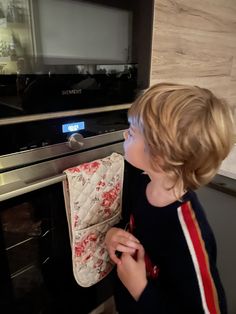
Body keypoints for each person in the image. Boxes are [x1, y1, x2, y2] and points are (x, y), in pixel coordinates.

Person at [105, 83, 234, 314]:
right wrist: (115, 233)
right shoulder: (143, 181)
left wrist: (140, 289)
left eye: (132, 133)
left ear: (160, 157)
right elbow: (136, 226)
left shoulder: (188, 234)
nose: (125, 135)